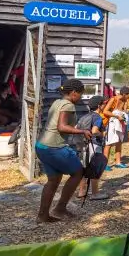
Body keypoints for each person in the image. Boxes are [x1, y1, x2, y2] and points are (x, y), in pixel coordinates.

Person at [35, 78, 91, 223]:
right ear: (73, 92)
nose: (80, 97)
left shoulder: (57, 102)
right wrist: (82, 131)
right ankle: (60, 209)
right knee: (78, 171)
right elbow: (62, 126)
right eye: (80, 94)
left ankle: (43, 215)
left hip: (42, 146)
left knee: (53, 180)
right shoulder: (68, 105)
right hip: (54, 147)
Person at [77, 95, 109, 201]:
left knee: (84, 168)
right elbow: (95, 130)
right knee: (95, 168)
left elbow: (77, 128)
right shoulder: (97, 117)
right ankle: (95, 193)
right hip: (94, 145)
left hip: (83, 145)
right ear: (99, 106)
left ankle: (82, 191)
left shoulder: (84, 117)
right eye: (104, 104)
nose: (105, 105)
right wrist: (102, 134)